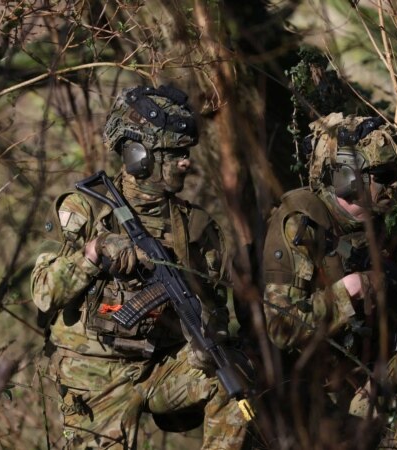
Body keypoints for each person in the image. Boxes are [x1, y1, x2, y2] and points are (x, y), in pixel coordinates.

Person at [31, 85, 248, 449]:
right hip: (94, 373)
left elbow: (214, 308)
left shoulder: (195, 226)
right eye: (174, 152)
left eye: (186, 152)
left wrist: (204, 339)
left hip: (159, 367)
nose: (186, 161)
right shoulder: (84, 210)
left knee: (232, 376)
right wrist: (93, 252)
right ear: (139, 154)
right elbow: (42, 293)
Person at [261, 112, 397, 448]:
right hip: (314, 387)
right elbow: (282, 328)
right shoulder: (301, 222)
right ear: (347, 178)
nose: (392, 185)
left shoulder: (375, 227)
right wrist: (347, 291)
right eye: (382, 175)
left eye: (394, 175)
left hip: (367, 370)